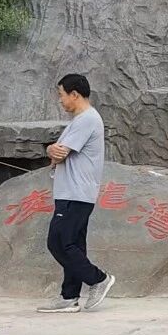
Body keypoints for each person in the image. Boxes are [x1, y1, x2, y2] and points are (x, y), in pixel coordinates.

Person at [36, 74, 117, 314]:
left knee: (58, 242)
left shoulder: (87, 119)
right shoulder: (81, 120)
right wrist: (53, 151)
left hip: (75, 194)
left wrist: (51, 150)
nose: (60, 100)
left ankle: (98, 279)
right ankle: (69, 296)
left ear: (74, 94)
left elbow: (60, 153)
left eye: (61, 95)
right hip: (73, 193)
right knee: (73, 245)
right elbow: (58, 153)